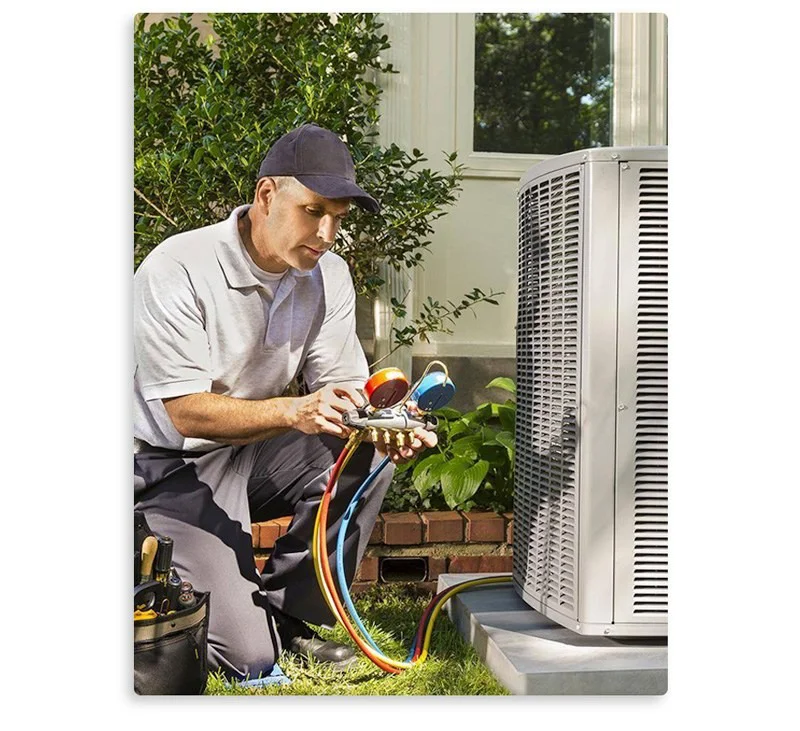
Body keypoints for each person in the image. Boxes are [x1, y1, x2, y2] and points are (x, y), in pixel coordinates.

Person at [133, 123, 437, 680]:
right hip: (164, 463)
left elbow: (344, 394)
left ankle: (292, 615)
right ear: (266, 195)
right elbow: (184, 413)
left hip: (250, 451)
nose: (326, 233)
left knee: (364, 454)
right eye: (312, 210)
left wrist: (390, 423)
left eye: (338, 219)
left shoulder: (328, 275)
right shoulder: (178, 268)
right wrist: (293, 411)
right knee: (246, 660)